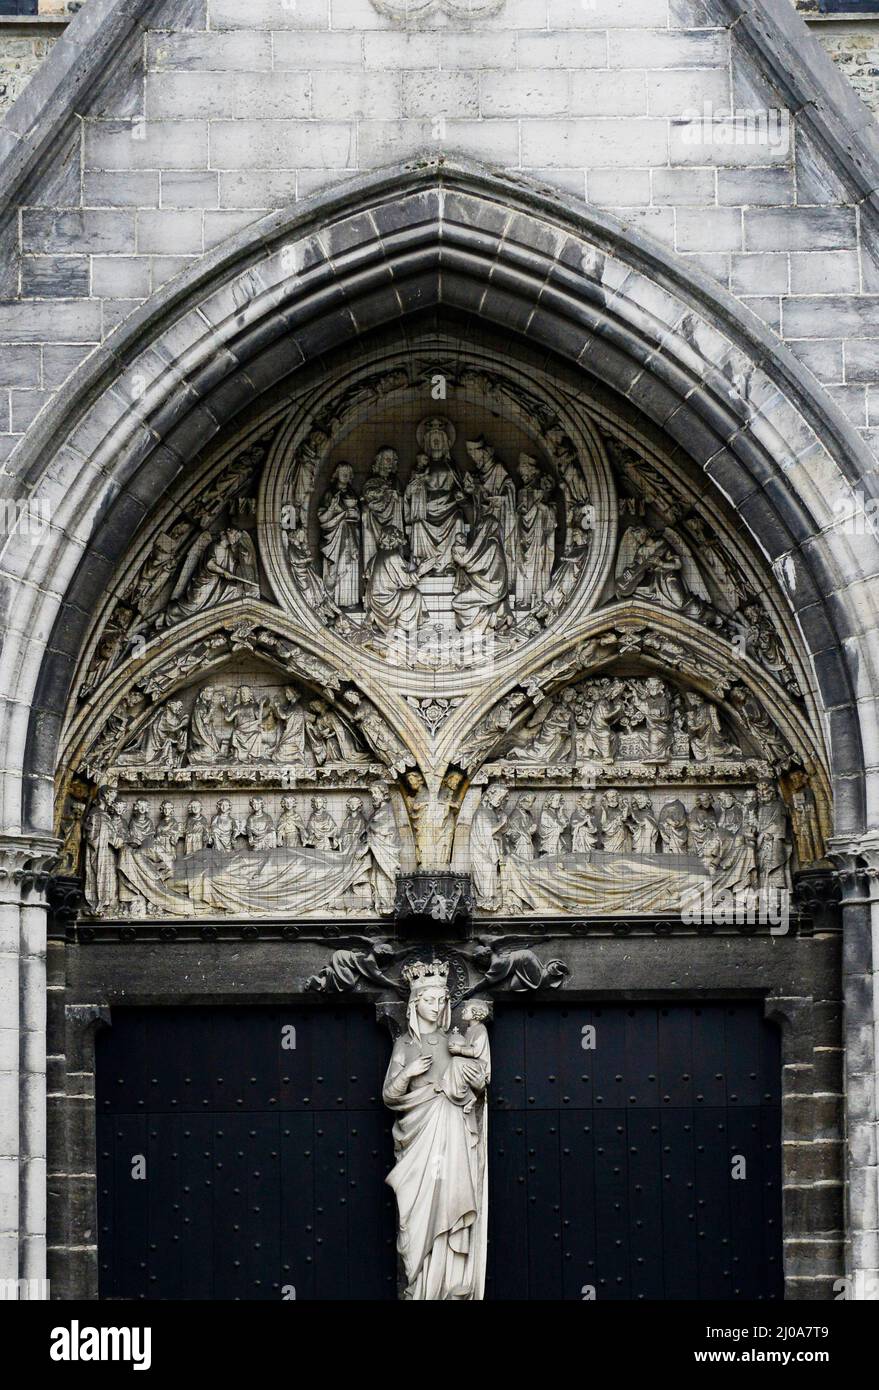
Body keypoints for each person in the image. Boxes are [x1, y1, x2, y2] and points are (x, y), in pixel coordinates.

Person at [383, 961, 489, 1300]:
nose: (438, 1006)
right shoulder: (404, 1046)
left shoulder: (457, 1040)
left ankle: (449, 1283)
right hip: (419, 1138)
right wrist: (408, 1072)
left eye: (442, 1000)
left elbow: (476, 1088)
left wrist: (477, 1086)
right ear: (415, 1005)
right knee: (415, 1216)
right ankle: (421, 1286)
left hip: (453, 1134)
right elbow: (389, 1095)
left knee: (451, 1198)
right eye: (430, 1000)